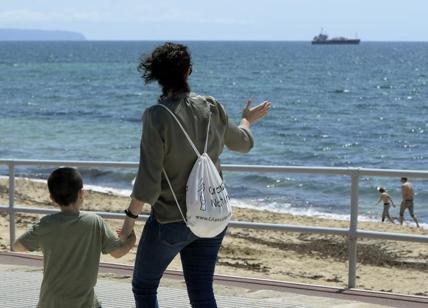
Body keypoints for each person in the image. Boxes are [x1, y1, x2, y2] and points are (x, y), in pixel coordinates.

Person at [119, 42, 271, 308]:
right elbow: (243, 144)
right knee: (201, 294)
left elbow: (148, 182)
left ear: (156, 76)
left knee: (144, 286)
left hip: (172, 222)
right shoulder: (212, 108)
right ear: (188, 72)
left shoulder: (157, 116)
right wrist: (246, 120)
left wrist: (129, 224)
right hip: (211, 217)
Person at [13, 167, 136, 308]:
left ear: (52, 198)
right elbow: (118, 252)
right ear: (81, 193)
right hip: (84, 304)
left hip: (50, 302)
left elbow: (17, 246)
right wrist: (132, 238)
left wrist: (43, 242)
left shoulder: (46, 225)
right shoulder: (94, 222)